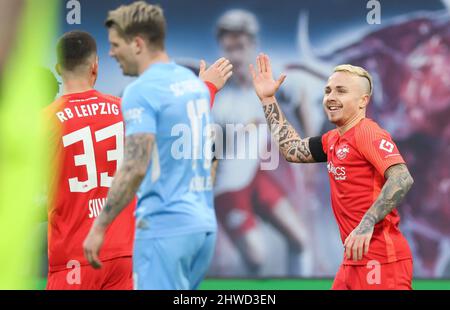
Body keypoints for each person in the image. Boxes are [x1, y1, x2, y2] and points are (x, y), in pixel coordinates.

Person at [83, 1, 232, 290]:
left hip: (165, 228)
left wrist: (100, 227)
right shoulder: (194, 86)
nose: (111, 53)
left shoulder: (141, 91)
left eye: (115, 45)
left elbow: (135, 164)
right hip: (202, 228)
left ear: (137, 43)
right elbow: (211, 157)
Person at [250, 53, 414, 289]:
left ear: (363, 101)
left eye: (341, 91)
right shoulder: (333, 140)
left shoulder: (367, 133)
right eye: (327, 91)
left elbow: (402, 177)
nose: (330, 97)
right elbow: (292, 150)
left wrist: (367, 222)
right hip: (353, 259)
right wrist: (268, 100)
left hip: (380, 259)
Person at [211, 9, 311, 276]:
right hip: (226, 186)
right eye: (229, 46)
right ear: (222, 46)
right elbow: (206, 151)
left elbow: (299, 97)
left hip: (255, 177)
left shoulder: (267, 77)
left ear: (251, 44)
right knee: (256, 258)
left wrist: (306, 146)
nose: (235, 54)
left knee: (299, 239)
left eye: (241, 45)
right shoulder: (215, 93)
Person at [44, 31, 135, 290]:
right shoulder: (124, 110)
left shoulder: (45, 121)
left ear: (59, 68)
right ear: (95, 65)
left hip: (73, 258)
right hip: (120, 256)